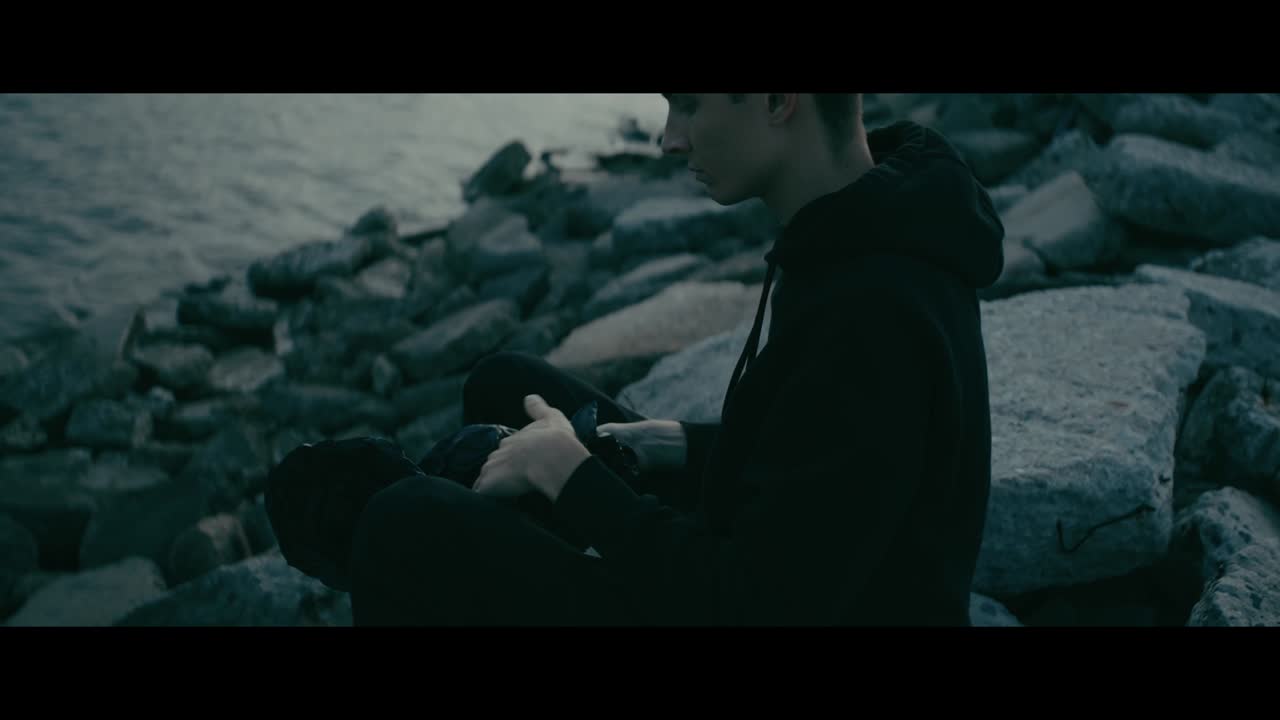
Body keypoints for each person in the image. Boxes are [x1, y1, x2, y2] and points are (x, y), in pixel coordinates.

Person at [347, 93, 1005, 626]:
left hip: (763, 603)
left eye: (688, 105)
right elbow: (840, 457)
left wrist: (571, 477)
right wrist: (687, 445)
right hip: (793, 571)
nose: (669, 140)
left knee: (401, 525)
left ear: (780, 100)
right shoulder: (874, 222)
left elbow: (753, 602)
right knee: (505, 386)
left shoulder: (873, 312)